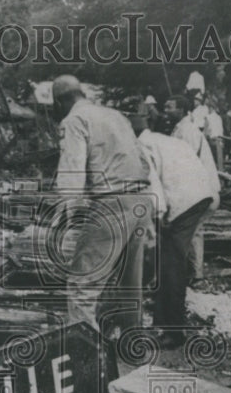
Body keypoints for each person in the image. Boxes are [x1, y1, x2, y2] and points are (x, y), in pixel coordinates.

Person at [52, 74, 151, 335]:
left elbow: (72, 171)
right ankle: (133, 346)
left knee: (82, 285)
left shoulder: (74, 119)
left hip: (111, 203)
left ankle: (86, 356)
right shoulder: (117, 116)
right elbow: (143, 161)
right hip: (141, 199)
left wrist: (67, 216)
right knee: (130, 283)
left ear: (61, 101)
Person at [123, 103, 215, 348]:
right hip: (199, 193)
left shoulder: (141, 146)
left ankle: (175, 333)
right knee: (167, 260)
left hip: (184, 200)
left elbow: (152, 182)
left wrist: (161, 214)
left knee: (172, 264)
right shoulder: (160, 139)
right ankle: (162, 320)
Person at [165, 95, 221, 284]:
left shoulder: (187, 131)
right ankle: (191, 273)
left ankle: (195, 275)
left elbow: (186, 163)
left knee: (193, 230)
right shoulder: (180, 128)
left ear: (181, 110)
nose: (166, 110)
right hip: (196, 190)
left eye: (169, 107)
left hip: (202, 191)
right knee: (192, 230)